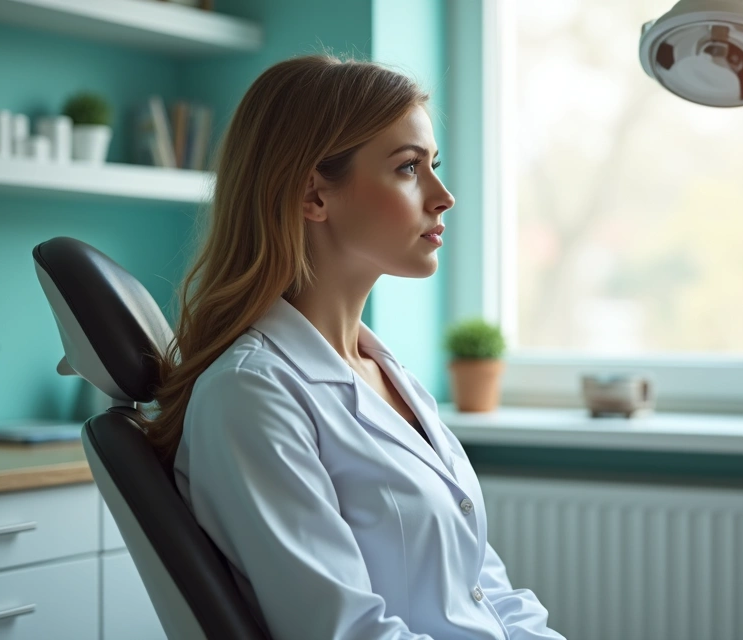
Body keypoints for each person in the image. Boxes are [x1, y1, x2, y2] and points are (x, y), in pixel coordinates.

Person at [140, 54, 564, 640]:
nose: (444, 196)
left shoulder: (389, 377)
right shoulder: (251, 395)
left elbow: (484, 592)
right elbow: (344, 632)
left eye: (433, 165)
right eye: (409, 168)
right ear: (313, 195)